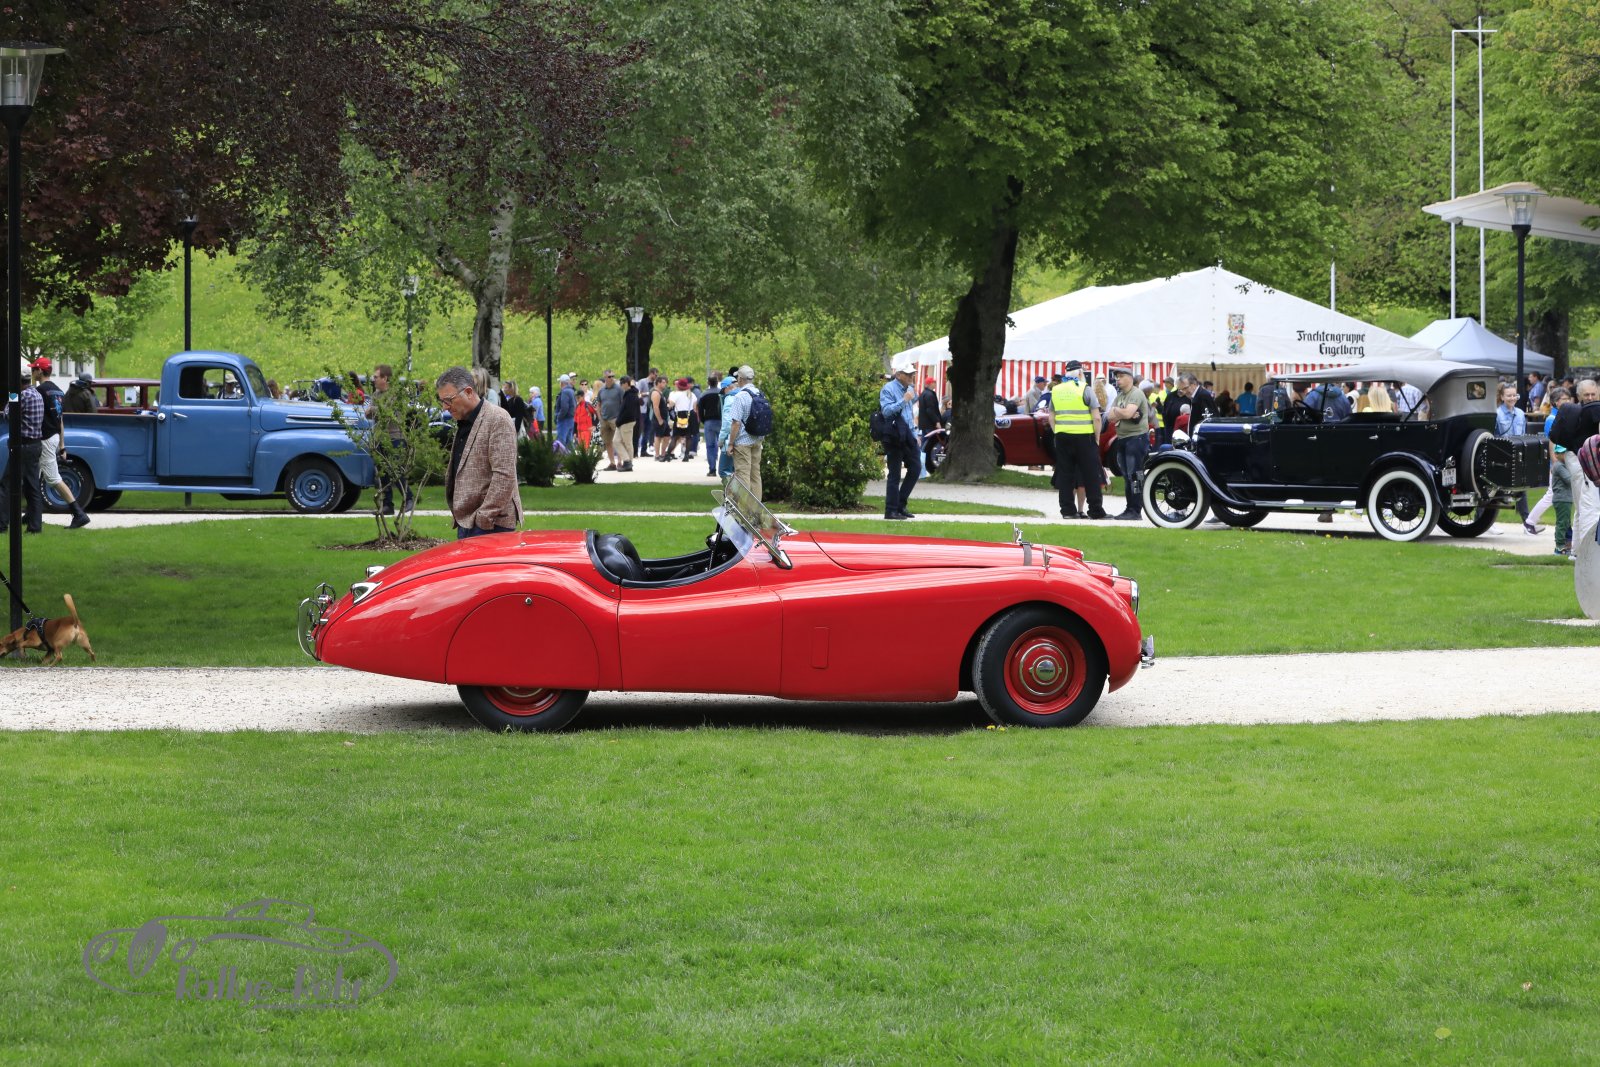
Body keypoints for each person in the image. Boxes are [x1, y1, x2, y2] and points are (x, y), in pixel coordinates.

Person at [435, 366, 522, 539]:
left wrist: (483, 518)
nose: (445, 407)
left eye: (448, 400)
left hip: (492, 524)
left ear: (468, 392)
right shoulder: (465, 420)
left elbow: (504, 476)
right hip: (468, 522)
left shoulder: (498, 419)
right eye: (442, 401)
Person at [29, 359, 91, 530]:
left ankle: (79, 514)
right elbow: (60, 419)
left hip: (45, 438)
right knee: (34, 473)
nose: (32, 373)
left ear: (40, 371)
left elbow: (37, 416)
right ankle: (31, 514)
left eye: (34, 369)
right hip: (55, 436)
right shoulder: (58, 390)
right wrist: (62, 445)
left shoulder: (40, 391)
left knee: (53, 478)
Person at [1051, 360, 1106, 520]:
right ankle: (1095, 510)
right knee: (1091, 474)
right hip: (1084, 437)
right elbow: (1097, 417)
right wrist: (1096, 438)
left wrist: (1057, 432)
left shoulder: (1056, 390)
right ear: (1080, 373)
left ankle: (1067, 511)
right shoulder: (1085, 389)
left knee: (1065, 474)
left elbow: (1051, 417)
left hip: (1062, 437)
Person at [1527, 387, 1573, 555]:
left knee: (1553, 495)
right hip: (1557, 463)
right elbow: (1551, 443)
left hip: (1561, 462)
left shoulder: (1562, 416)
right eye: (1563, 399)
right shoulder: (1552, 419)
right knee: (1552, 494)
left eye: (1568, 399)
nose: (1567, 402)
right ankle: (1530, 522)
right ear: (1555, 402)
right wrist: (1555, 465)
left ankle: (1531, 521)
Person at [0, 374, 45, 533]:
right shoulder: (37, 394)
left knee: (6, 484)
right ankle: (35, 526)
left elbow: (8, 414)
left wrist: (11, 395)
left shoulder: (21, 396)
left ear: (18, 383)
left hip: (22, 446)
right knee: (32, 486)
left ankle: (2, 524)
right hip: (35, 444)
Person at [365, 363, 413, 516]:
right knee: (382, 473)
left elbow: (386, 412)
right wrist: (373, 411)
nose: (373, 380)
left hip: (395, 438)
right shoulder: (376, 395)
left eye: (376, 377)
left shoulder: (395, 394)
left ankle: (409, 498)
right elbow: (370, 414)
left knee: (396, 471)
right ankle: (387, 505)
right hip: (380, 438)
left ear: (385, 378)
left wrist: (373, 410)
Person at [1105, 367, 1150, 520]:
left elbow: (1127, 413)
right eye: (1116, 377)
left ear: (1130, 378)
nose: (1117, 379)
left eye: (1120, 376)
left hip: (1136, 439)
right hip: (1123, 439)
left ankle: (1135, 510)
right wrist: (1122, 411)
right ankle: (1129, 508)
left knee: (1135, 475)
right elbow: (1109, 417)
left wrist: (1119, 411)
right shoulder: (1121, 396)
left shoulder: (1136, 393)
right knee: (1126, 476)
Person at [880, 356, 921, 520]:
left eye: (912, 373)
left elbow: (909, 415)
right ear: (898, 375)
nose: (912, 376)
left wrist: (914, 435)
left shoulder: (909, 388)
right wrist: (904, 400)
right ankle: (890, 510)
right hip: (894, 435)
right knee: (895, 473)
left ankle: (900, 505)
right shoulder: (888, 389)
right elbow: (886, 411)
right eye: (908, 373)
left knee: (916, 468)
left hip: (908, 435)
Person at [723, 365, 767, 503]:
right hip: (757, 440)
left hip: (742, 442)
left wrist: (730, 444)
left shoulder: (740, 396)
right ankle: (755, 510)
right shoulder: (759, 393)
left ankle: (742, 510)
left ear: (740, 379)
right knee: (755, 475)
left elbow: (735, 423)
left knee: (743, 476)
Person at [1495, 384, 1534, 531]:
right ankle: (1482, 520)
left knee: (1521, 488)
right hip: (1502, 456)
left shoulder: (1520, 413)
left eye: (1514, 395)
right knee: (1494, 488)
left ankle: (1527, 523)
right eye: (1509, 395)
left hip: (1517, 456)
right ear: (1502, 397)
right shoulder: (1497, 414)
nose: (1512, 398)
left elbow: (1522, 435)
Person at [697, 376, 728, 477]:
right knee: (724, 445)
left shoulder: (704, 394)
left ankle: (712, 469)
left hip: (709, 421)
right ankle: (725, 469)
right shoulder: (722, 393)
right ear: (717, 382)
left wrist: (703, 420)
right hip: (721, 421)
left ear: (708, 383)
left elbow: (700, 409)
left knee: (710, 446)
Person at [597, 370, 624, 469]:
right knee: (608, 442)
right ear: (605, 378)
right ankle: (612, 463)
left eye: (613, 376)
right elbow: (599, 404)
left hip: (615, 419)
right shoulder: (601, 390)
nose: (611, 378)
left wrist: (620, 417)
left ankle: (620, 462)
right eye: (609, 376)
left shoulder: (619, 389)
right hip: (604, 420)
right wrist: (600, 417)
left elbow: (623, 403)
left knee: (618, 441)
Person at [614, 375, 638, 471]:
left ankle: (628, 463)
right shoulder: (628, 394)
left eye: (621, 383)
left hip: (627, 422)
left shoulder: (631, 395)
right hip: (621, 422)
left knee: (628, 443)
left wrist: (620, 420)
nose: (620, 385)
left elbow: (629, 412)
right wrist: (619, 421)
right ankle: (627, 461)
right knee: (616, 441)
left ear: (626, 384)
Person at [669, 376, 695, 460]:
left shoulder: (676, 394)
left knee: (675, 437)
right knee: (688, 437)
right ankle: (686, 455)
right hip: (690, 415)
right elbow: (695, 407)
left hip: (679, 415)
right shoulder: (691, 394)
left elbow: (670, 405)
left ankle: (667, 454)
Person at [554, 374, 576, 448]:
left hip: (564, 420)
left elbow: (564, 407)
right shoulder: (571, 391)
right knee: (569, 442)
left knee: (561, 442)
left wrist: (558, 416)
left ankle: (561, 455)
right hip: (571, 419)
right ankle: (571, 454)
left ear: (562, 383)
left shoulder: (565, 392)